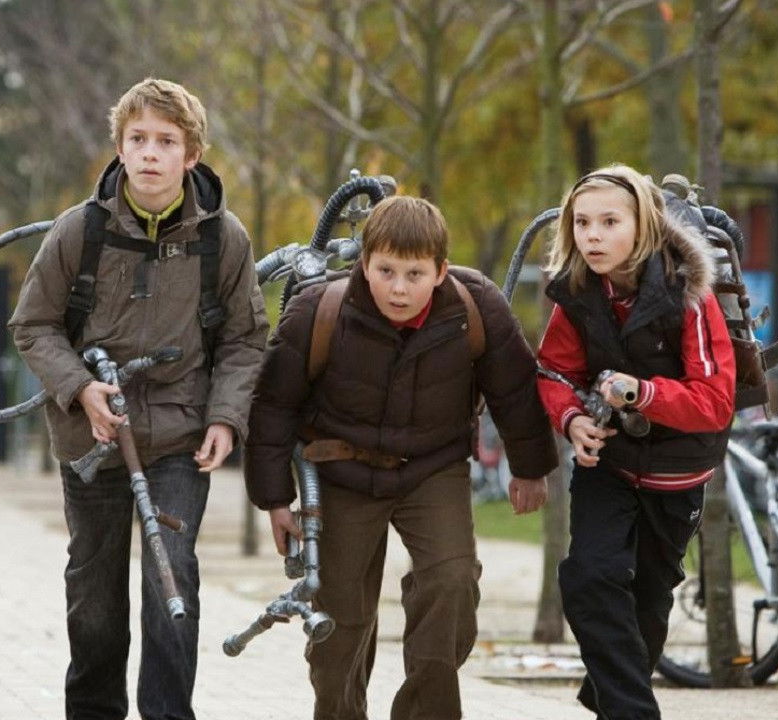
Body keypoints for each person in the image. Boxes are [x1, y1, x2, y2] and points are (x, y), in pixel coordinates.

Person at [8, 78, 267, 720]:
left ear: (192, 155)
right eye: (138, 139)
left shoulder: (223, 239)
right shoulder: (79, 231)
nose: (151, 153)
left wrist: (226, 419)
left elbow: (245, 339)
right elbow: (33, 325)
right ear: (120, 148)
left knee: (170, 574)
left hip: (180, 439)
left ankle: (168, 713)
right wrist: (80, 388)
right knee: (93, 593)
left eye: (167, 141)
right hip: (91, 438)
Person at [244, 195, 558, 720]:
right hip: (342, 470)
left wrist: (530, 469)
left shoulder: (475, 307)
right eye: (385, 271)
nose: (398, 288)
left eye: (415, 274)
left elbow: (515, 392)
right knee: (339, 619)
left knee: (452, 582)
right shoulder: (317, 311)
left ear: (440, 271)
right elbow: (273, 405)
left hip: (432, 469)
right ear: (364, 264)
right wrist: (275, 499)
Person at [535, 164, 736, 719]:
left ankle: (609, 700)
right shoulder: (578, 294)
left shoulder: (689, 295)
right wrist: (571, 419)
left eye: (609, 222)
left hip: (679, 471)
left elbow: (715, 401)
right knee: (589, 577)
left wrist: (642, 393)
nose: (592, 236)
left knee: (648, 601)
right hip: (610, 463)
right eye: (581, 223)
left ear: (642, 225)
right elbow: (553, 372)